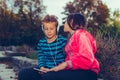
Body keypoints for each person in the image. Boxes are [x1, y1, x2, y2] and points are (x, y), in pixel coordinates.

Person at [41, 13, 100, 80]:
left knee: (49, 77)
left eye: (65, 21)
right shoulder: (73, 37)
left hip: (88, 72)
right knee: (48, 75)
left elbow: (87, 59)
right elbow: (71, 61)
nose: (64, 24)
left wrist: (66, 64)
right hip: (79, 71)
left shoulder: (81, 35)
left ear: (71, 22)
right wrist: (57, 68)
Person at [18, 15, 67, 80]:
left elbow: (68, 58)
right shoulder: (41, 43)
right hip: (45, 69)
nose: (49, 31)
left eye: (51, 29)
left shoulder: (63, 41)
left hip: (59, 70)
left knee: (48, 77)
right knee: (23, 73)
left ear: (56, 29)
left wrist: (58, 68)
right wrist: (41, 67)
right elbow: (41, 57)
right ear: (43, 29)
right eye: (46, 29)